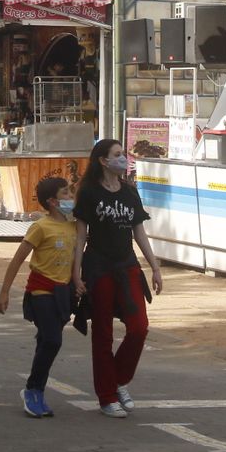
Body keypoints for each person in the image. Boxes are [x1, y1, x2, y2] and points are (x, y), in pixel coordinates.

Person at [72, 138, 162, 418]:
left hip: (127, 266)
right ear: (103, 160)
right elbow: (80, 235)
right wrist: (76, 274)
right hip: (98, 267)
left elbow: (139, 232)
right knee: (103, 334)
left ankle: (118, 380)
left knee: (139, 327)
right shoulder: (87, 192)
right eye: (117, 154)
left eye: (123, 154)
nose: (123, 158)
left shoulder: (129, 191)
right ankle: (107, 395)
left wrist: (155, 267)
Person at [0, 176, 78, 417]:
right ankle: (34, 390)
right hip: (41, 290)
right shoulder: (41, 227)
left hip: (64, 292)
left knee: (47, 339)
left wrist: (78, 281)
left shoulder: (74, 226)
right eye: (65, 194)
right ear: (52, 201)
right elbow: (18, 259)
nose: (70, 198)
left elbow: (75, 259)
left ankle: (34, 388)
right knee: (53, 340)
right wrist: (4, 292)